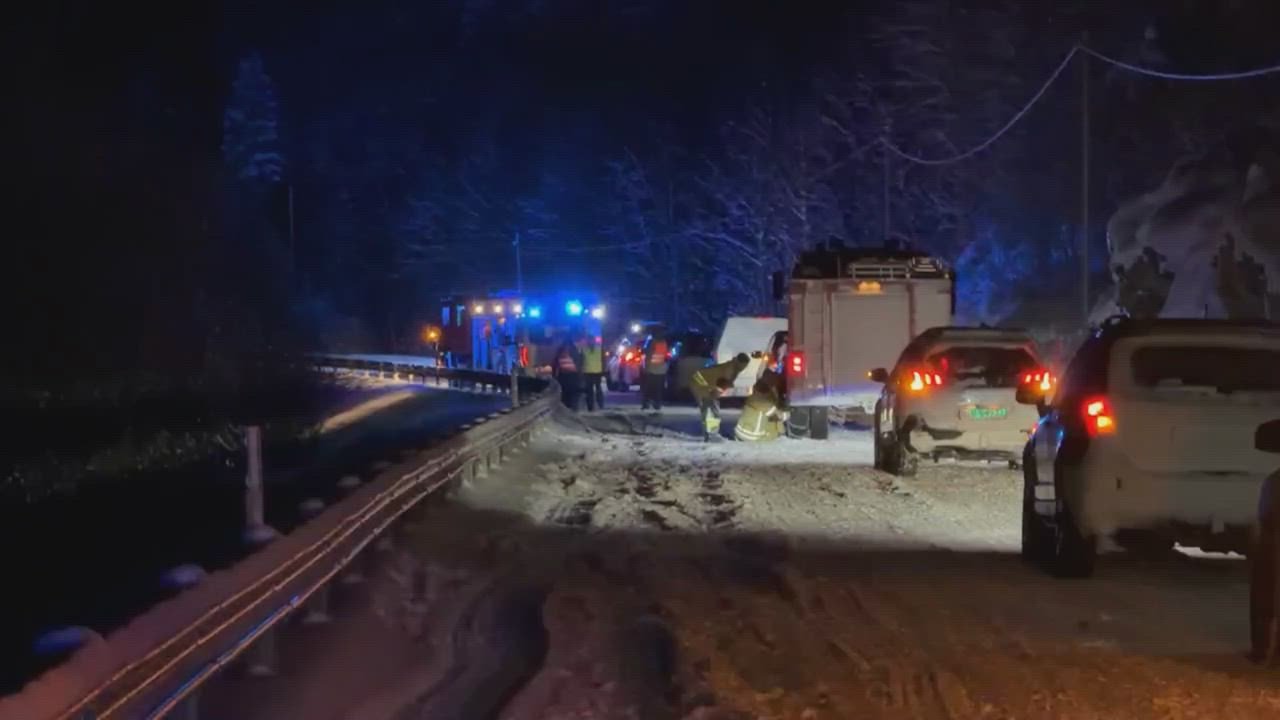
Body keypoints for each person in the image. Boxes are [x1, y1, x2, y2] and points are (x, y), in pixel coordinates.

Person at [690, 352, 751, 442]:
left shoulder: (733, 366)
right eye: (745, 365)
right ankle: (712, 435)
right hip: (700, 382)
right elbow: (722, 383)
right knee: (712, 408)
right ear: (742, 363)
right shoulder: (731, 369)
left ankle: (709, 434)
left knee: (708, 408)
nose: (745, 368)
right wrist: (717, 392)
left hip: (701, 380)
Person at [735, 371, 788, 442]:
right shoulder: (764, 402)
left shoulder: (754, 396)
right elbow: (779, 416)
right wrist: (789, 412)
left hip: (742, 432)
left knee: (770, 417)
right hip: (752, 435)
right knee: (773, 418)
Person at [640, 332, 670, 412]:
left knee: (648, 388)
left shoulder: (651, 342)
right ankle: (657, 403)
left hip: (652, 369)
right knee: (658, 388)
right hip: (661, 369)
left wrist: (645, 367)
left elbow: (648, 355)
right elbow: (666, 356)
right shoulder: (664, 343)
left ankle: (646, 403)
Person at [552, 336, 584, 411]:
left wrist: (554, 376)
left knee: (565, 396)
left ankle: (567, 410)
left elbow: (555, 364)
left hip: (564, 377)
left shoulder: (560, 351)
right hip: (573, 377)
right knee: (573, 396)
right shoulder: (575, 350)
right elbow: (579, 364)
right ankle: (573, 411)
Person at [580, 336, 605, 411]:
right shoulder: (585, 349)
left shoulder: (598, 349)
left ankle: (599, 405)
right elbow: (581, 361)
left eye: (590, 340)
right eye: (589, 340)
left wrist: (603, 369)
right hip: (589, 372)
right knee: (590, 390)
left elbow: (603, 360)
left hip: (596, 372)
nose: (590, 342)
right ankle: (592, 406)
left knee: (597, 389)